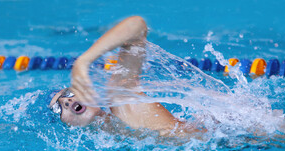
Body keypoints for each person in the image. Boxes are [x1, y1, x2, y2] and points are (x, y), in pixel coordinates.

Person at [49, 16, 204, 138]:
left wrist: (83, 62)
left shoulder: (121, 99)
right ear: (68, 126)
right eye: (58, 108)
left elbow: (136, 25)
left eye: (68, 93)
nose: (66, 101)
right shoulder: (112, 138)